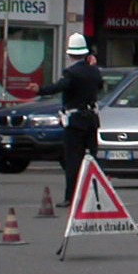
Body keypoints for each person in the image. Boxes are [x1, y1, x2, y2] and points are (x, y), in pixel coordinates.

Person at [27, 33, 103, 207]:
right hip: (92, 119)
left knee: (72, 161)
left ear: (69, 54)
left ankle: (71, 197)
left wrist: (39, 89)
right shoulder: (93, 70)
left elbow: (60, 87)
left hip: (75, 121)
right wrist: (92, 67)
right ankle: (94, 195)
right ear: (85, 53)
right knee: (91, 158)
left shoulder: (71, 72)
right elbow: (99, 85)